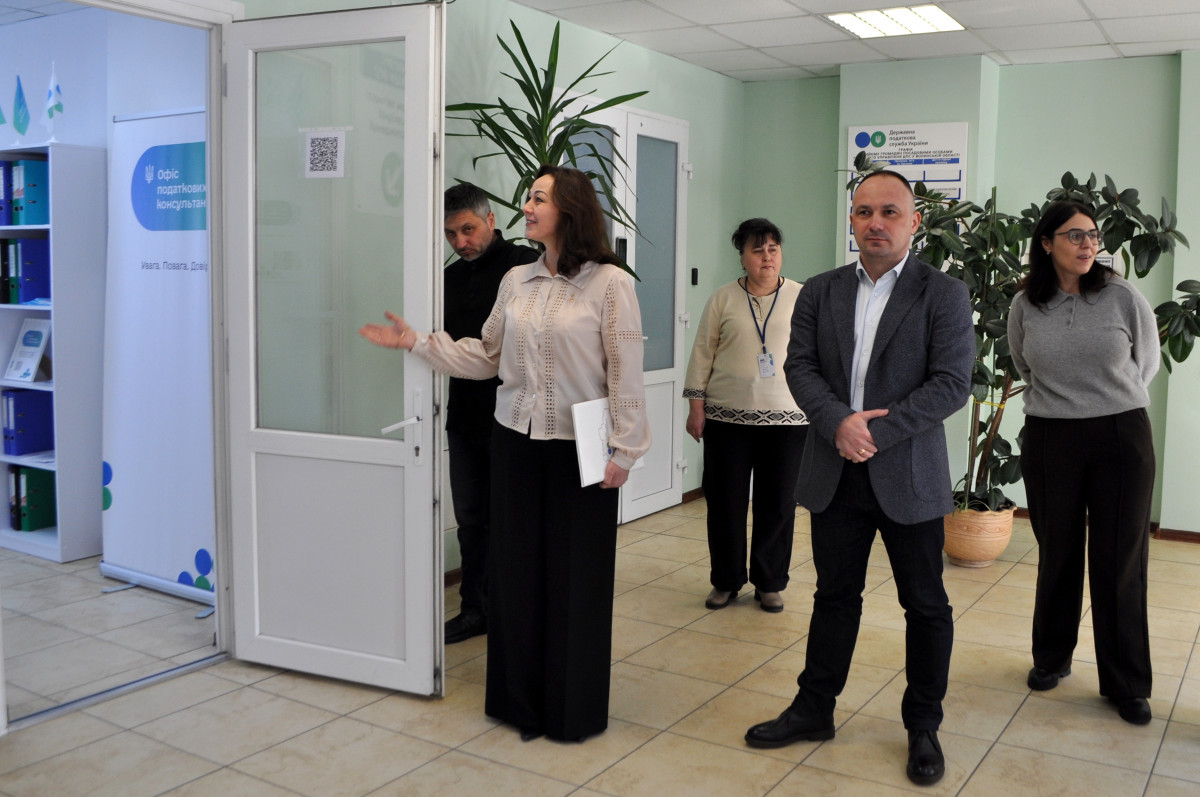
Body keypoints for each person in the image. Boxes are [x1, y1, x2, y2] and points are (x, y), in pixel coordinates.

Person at [359, 164, 650, 743]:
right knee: (515, 576)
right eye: (528, 198)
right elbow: (486, 355)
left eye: (538, 198)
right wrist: (418, 343)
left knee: (575, 580)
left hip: (581, 451)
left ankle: (569, 711)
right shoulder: (516, 281)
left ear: (569, 210)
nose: (527, 208)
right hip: (513, 442)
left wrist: (626, 449)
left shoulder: (610, 283)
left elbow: (625, 371)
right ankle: (518, 704)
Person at [744, 170, 974, 787]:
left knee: (925, 604)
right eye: (865, 211)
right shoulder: (820, 291)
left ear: (914, 222)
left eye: (890, 212)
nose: (876, 222)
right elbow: (800, 366)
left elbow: (952, 383)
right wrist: (837, 423)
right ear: (851, 220)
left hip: (909, 476)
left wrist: (873, 432)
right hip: (834, 472)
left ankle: (923, 725)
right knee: (834, 597)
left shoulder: (944, 294)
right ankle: (814, 708)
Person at [1008, 200, 1159, 725]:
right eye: (1075, 235)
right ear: (1046, 243)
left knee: (1120, 559)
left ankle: (1127, 683)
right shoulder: (1026, 303)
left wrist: (1105, 400)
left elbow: (1146, 363)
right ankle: (1051, 657)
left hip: (1120, 433)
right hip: (1051, 434)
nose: (1088, 244)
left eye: (1092, 235)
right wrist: (1066, 403)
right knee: (1058, 550)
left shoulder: (1122, 296)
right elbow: (1023, 363)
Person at [683, 218, 808, 613]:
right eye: (757, 250)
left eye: (773, 249)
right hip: (726, 419)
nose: (767, 257)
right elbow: (702, 351)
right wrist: (696, 406)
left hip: (788, 420)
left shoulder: (803, 297)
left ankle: (770, 583)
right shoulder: (722, 298)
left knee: (779, 503)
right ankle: (726, 580)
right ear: (742, 258)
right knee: (725, 503)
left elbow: (818, 356)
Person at [441, 183, 539, 645]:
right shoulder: (448, 279)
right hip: (463, 417)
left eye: (468, 229)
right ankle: (474, 610)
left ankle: (513, 610)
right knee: (471, 521)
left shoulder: (523, 267)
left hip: (514, 418)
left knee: (512, 521)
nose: (460, 242)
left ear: (491, 220)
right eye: (451, 234)